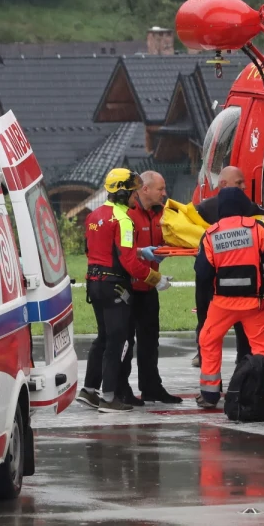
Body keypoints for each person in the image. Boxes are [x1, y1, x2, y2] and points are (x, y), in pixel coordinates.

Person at [76, 169, 172, 413]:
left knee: (103, 337)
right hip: (115, 286)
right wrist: (155, 278)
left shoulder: (95, 216)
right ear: (122, 192)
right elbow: (128, 262)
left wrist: (141, 251)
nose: (134, 196)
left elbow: (98, 251)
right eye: (131, 191)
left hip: (94, 283)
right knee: (118, 341)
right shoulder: (124, 220)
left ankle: (88, 390)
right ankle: (109, 397)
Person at [193, 187, 264, 409]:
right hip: (254, 303)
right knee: (263, 346)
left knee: (208, 340)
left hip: (223, 303)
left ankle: (209, 394)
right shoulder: (257, 229)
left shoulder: (211, 234)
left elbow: (202, 273)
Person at [191, 167, 264, 368]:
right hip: (228, 288)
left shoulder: (246, 209)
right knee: (207, 326)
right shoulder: (203, 210)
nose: (244, 186)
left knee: (215, 335)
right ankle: (243, 370)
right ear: (224, 184)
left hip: (222, 288)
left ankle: (231, 371)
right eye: (239, 182)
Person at [129, 171, 183, 404]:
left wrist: (161, 251)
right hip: (128, 288)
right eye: (160, 189)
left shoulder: (161, 213)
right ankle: (121, 390)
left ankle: (152, 387)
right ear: (145, 189)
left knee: (151, 340)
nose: (164, 193)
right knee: (124, 341)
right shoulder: (128, 214)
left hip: (149, 286)